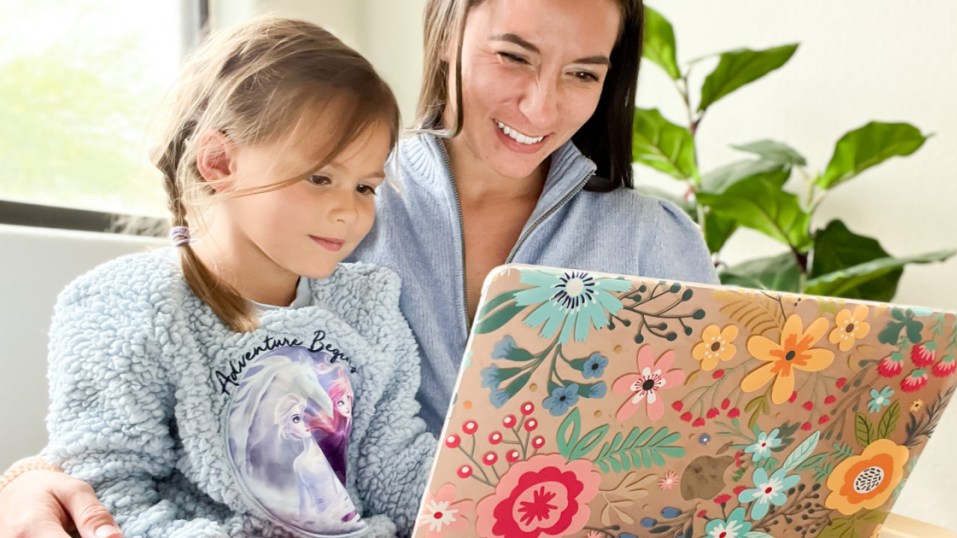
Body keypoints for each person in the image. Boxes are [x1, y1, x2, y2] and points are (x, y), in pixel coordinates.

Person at [0, 1, 718, 536]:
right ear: (450, 35)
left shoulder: (652, 240)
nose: (541, 103)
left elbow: (710, 453)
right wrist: (29, 478)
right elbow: (131, 429)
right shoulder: (312, 194)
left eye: (584, 72)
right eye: (513, 56)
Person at [4, 15, 434, 538]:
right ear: (218, 160)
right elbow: (109, 490)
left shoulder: (367, 303)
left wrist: (479, 507)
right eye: (321, 178)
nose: (349, 211)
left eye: (365, 188)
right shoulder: (123, 304)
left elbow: (394, 462)